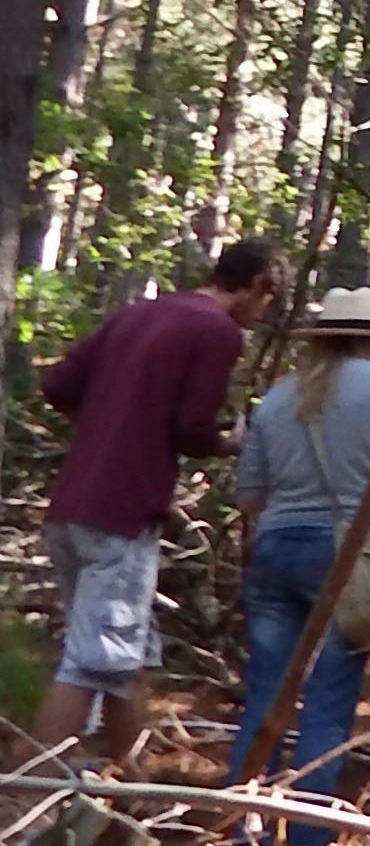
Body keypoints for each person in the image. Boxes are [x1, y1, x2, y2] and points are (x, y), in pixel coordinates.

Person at [26, 239, 282, 769]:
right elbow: (192, 428)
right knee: (91, 661)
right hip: (123, 513)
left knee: (126, 653)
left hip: (74, 504)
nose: (262, 314)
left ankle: (134, 783)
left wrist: (110, 425)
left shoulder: (139, 313)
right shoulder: (216, 331)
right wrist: (229, 443)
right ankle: (32, 788)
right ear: (258, 284)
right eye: (268, 300)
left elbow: (58, 385)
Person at [224, 288, 370, 846]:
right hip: (347, 558)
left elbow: (249, 498)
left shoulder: (277, 397)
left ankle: (242, 829)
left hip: (275, 552)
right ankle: (309, 836)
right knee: (328, 704)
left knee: (265, 697)